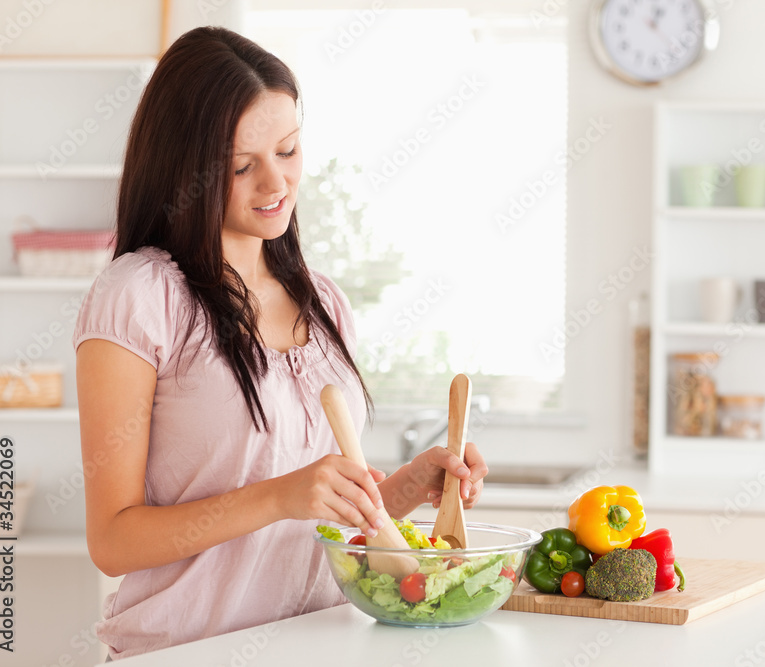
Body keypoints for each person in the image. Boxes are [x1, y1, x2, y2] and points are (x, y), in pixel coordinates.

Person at [73, 26, 488, 660]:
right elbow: (113, 538)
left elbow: (319, 517)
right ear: (185, 169)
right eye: (242, 166)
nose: (276, 184)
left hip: (317, 647)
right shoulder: (140, 296)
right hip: (183, 653)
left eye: (289, 150)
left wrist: (406, 488)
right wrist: (278, 496)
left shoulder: (325, 304)